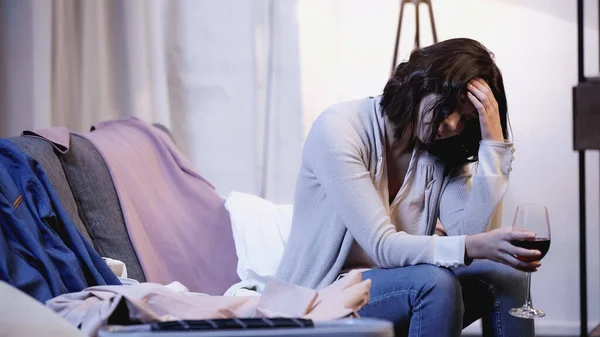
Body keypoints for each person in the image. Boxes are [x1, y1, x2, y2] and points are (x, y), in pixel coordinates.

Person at [275, 38, 539, 337]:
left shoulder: (441, 150)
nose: (452, 124)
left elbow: (472, 234)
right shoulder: (338, 130)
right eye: (449, 105)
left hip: (400, 286)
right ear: (421, 84)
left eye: (466, 119)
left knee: (506, 276)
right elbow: (383, 247)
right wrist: (472, 245)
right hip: (322, 296)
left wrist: (494, 145)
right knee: (435, 282)